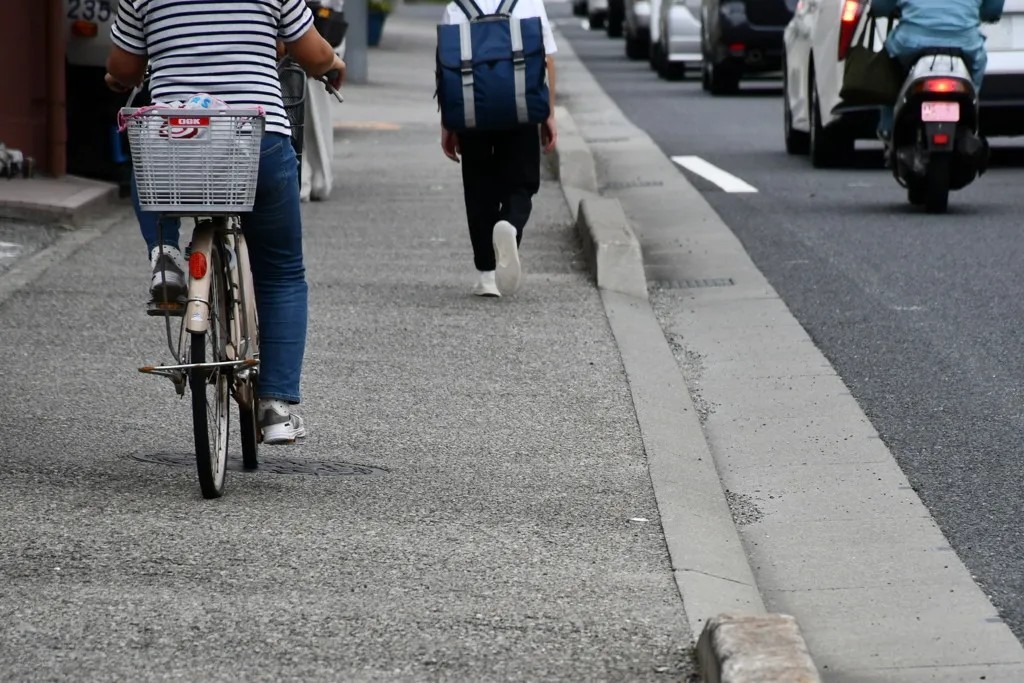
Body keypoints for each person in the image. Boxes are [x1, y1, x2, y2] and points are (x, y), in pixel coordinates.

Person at [104, 0, 345, 444]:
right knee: (282, 273)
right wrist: (333, 63)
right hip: (256, 141)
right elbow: (313, 55)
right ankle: (274, 406)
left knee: (147, 154)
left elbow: (123, 65)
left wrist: (122, 77)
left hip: (175, 143)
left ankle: (166, 257)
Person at [439, 0, 559, 298]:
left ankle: (486, 275)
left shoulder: (457, 6)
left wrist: (448, 123)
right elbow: (547, 59)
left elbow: (446, 68)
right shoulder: (529, 3)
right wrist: (549, 114)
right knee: (523, 183)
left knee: (478, 187)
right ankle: (510, 223)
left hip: (471, 108)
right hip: (520, 106)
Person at [871, 0, 1005, 141]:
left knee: (889, 65)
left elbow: (880, 7)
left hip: (910, 42)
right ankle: (971, 115)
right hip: (966, 43)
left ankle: (888, 125)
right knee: (978, 65)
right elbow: (992, 11)